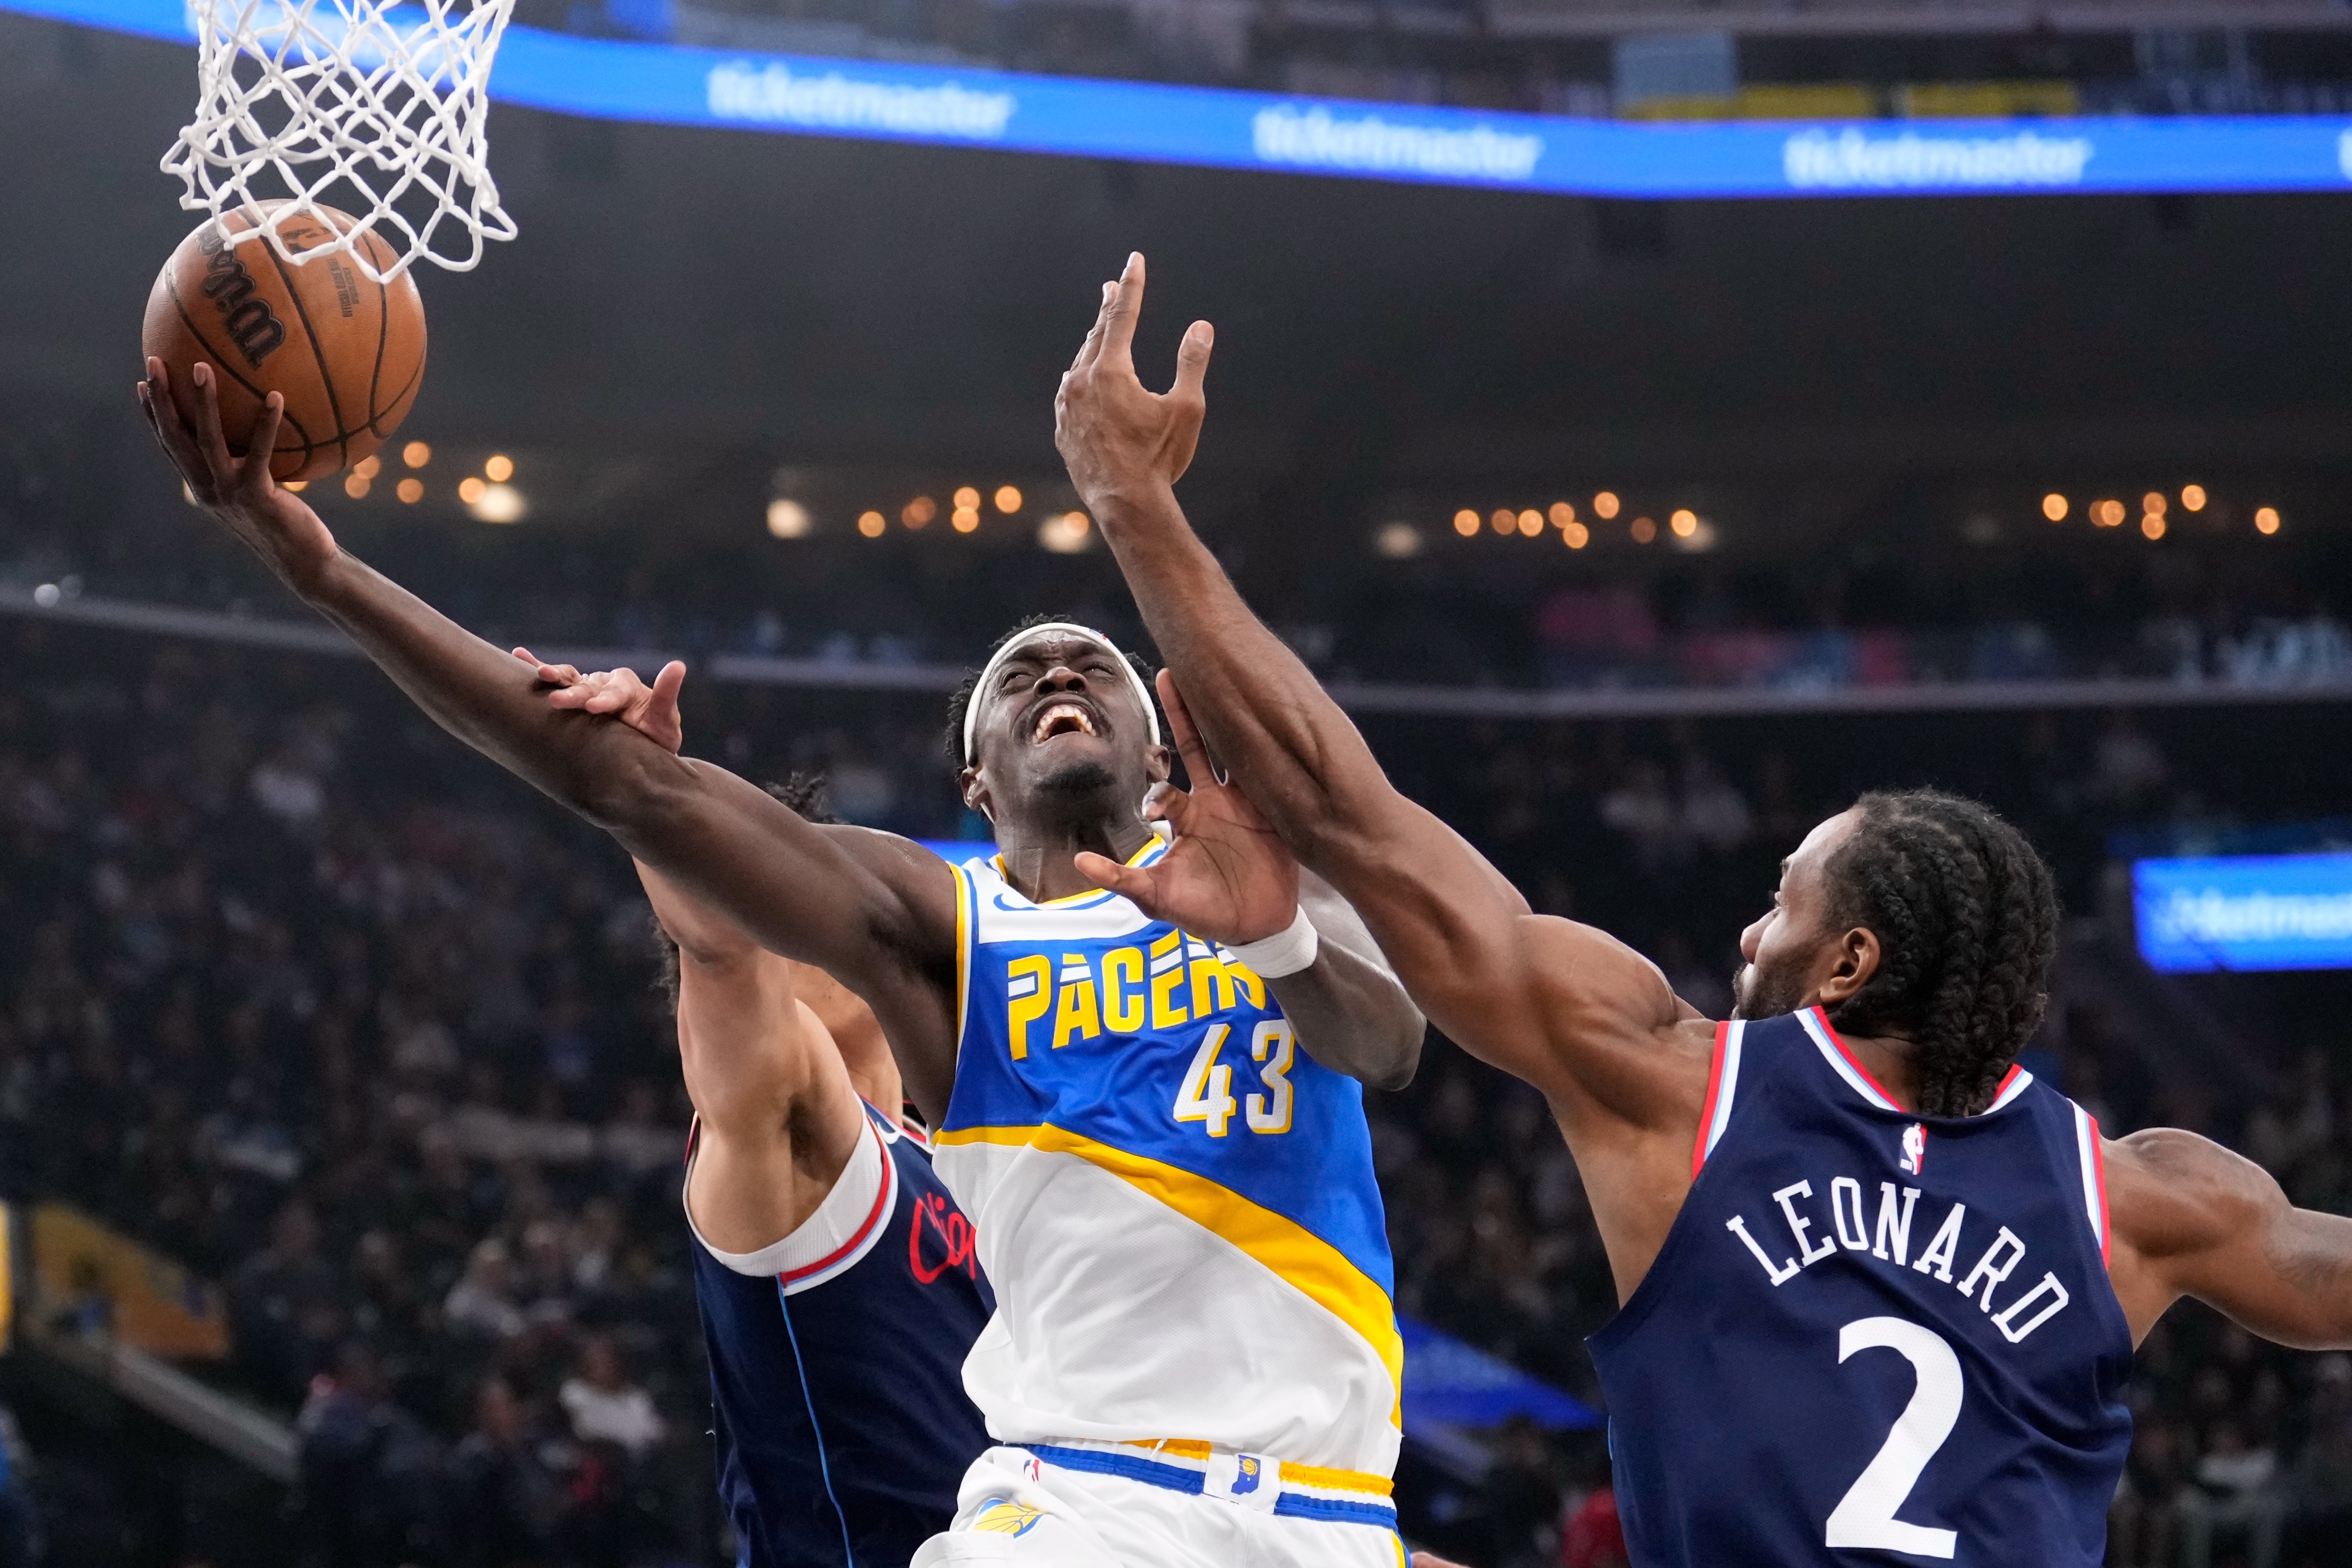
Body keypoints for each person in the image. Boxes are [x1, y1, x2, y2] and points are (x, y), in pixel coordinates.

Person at [1050, 252, 2352, 1567]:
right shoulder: (2138, 1199)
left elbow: (1348, 812)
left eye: (1780, 903)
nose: (1748, 932)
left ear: (1848, 958)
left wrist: (1133, 502)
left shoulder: (1670, 1086)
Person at [139, 358, 1428, 1568]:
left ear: (1161, 754)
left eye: (1089, 664)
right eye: (1015, 675)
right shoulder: (944, 928)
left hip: (1332, 1512)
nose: (1053, 671)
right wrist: (317, 568)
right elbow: (634, 791)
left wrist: (1275, 933)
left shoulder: (1270, 875)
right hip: (1086, 1507)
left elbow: (1391, 1046)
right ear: (975, 778)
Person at [629, 765, 991, 1566]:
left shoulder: (975, 1161)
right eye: (811, 897)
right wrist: (633, 782)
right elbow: (716, 948)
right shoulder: (794, 1131)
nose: (853, 917)